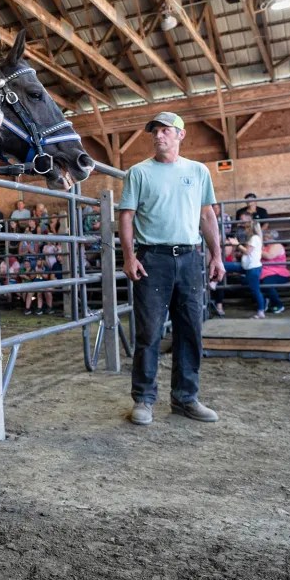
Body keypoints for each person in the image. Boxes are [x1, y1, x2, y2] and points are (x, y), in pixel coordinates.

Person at [119, 111, 224, 426]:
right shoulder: (138, 173)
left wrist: (216, 255)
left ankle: (185, 398)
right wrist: (128, 256)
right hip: (153, 259)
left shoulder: (198, 171)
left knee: (190, 329)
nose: (159, 136)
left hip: (190, 257)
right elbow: (126, 216)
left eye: (166, 130)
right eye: (155, 131)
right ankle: (144, 399)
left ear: (181, 134)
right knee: (149, 331)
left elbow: (207, 215)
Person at [260, 228, 290, 314]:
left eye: (266, 236)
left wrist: (258, 249)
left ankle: (279, 304)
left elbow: (269, 256)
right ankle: (265, 302)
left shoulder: (277, 246)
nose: (265, 238)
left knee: (267, 284)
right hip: (264, 272)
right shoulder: (265, 247)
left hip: (278, 273)